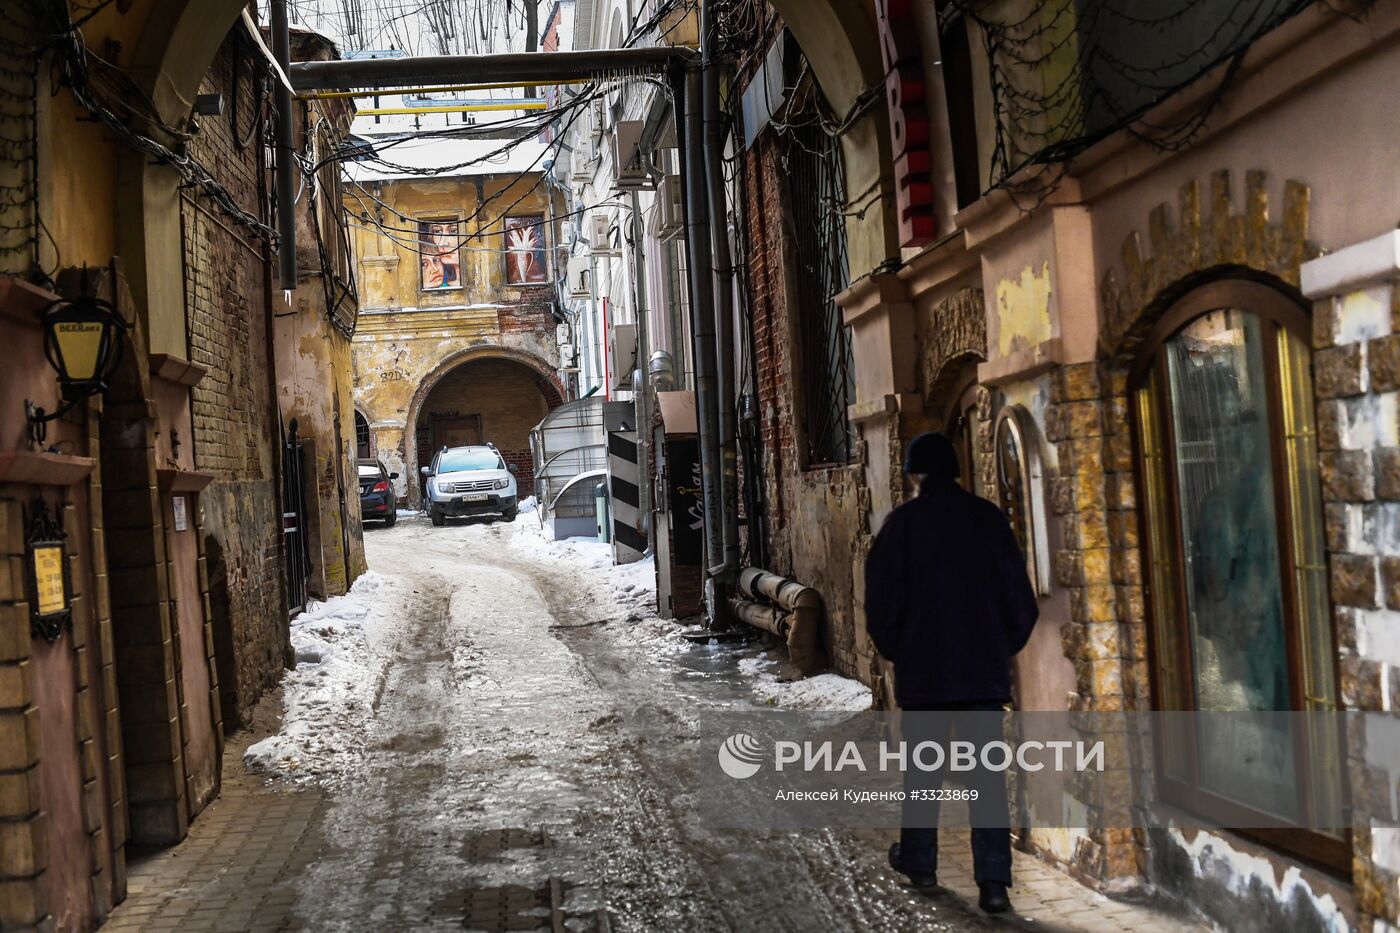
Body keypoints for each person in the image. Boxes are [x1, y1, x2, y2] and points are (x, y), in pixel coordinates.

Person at [865, 431, 1039, 914]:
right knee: (987, 780)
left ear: (915, 476)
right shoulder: (988, 520)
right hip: (982, 677)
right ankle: (994, 885)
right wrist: (1000, 650)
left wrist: (900, 652)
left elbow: (879, 607)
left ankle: (920, 864)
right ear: (957, 472)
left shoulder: (901, 527)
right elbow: (1021, 605)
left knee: (923, 774)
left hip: (925, 678)